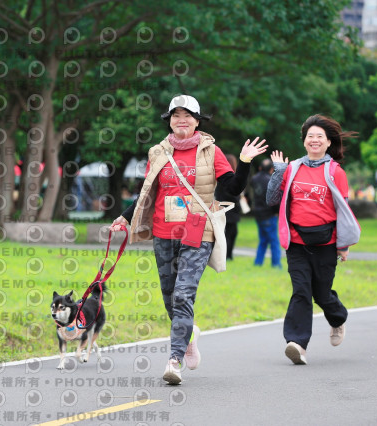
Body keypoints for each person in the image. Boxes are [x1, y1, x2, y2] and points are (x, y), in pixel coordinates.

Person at [109, 95, 267, 385]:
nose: (181, 120)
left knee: (183, 294)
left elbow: (233, 188)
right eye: (176, 115)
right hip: (163, 231)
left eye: (187, 115)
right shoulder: (158, 152)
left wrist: (244, 162)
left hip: (197, 230)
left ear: (197, 121)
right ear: (169, 120)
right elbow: (147, 191)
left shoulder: (211, 151)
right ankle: (189, 334)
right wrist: (125, 217)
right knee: (170, 296)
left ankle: (174, 360)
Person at [266, 114, 360, 365]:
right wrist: (279, 171)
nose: (314, 140)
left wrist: (343, 245)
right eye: (310, 136)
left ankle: (338, 318)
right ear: (304, 140)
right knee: (301, 291)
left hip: (326, 243)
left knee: (322, 294)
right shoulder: (293, 168)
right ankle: (297, 343)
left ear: (328, 142)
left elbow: (343, 210)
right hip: (297, 242)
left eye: (320, 136)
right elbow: (272, 199)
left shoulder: (336, 172)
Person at [250, 158, 282, 268]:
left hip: (258, 213)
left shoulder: (254, 179)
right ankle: (276, 264)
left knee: (263, 240)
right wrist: (277, 212)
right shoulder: (270, 180)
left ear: (260, 168)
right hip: (269, 214)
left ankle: (258, 263)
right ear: (271, 169)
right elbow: (274, 199)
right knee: (274, 241)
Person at [214, 153, 241, 260]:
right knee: (231, 233)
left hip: (221, 208)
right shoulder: (232, 179)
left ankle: (226, 255)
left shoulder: (219, 178)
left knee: (226, 233)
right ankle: (227, 255)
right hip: (231, 208)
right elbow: (233, 195)